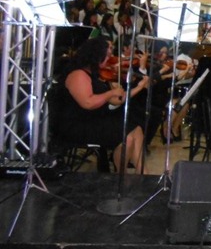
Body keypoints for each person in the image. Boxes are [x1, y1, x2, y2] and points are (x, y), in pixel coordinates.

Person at [53, 37, 149, 174]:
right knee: (127, 135)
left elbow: (118, 100)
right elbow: (87, 102)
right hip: (77, 124)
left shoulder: (94, 73)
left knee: (135, 127)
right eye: (107, 56)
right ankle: (121, 176)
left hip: (92, 118)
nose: (109, 59)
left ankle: (142, 172)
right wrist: (109, 93)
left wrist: (139, 87)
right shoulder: (78, 74)